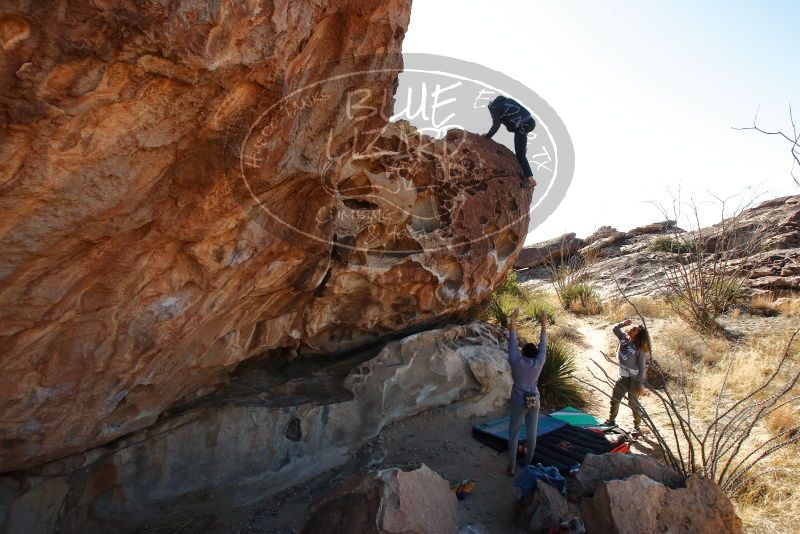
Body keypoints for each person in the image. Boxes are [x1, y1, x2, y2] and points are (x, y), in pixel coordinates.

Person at [506, 307, 548, 476]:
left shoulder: (516, 361)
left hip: (518, 399)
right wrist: (543, 323)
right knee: (532, 432)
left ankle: (512, 467)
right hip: (534, 399)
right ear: (536, 354)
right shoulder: (539, 361)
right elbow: (543, 342)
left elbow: (512, 340)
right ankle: (529, 462)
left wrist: (514, 320)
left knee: (514, 433)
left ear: (522, 353)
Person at [603, 318, 651, 438]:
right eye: (632, 327)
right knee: (615, 398)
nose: (632, 330)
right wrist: (623, 323)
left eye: (635, 330)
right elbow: (615, 329)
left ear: (639, 335)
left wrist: (640, 384)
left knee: (633, 403)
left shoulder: (641, 348)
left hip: (634, 378)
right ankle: (611, 421)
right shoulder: (624, 338)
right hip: (623, 376)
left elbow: (641, 367)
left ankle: (637, 427)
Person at [483, 95, 537, 189]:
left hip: (522, 125)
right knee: (521, 147)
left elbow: (496, 124)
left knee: (520, 155)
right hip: (530, 122)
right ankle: (523, 148)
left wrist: (487, 136)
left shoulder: (493, 107)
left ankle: (530, 180)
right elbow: (517, 115)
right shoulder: (508, 101)